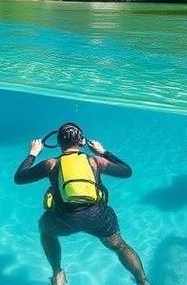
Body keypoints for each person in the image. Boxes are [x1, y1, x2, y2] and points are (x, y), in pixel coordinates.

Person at [14, 122, 149, 285]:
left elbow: (19, 178)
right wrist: (104, 152)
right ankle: (142, 280)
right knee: (119, 245)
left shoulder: (51, 164)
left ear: (58, 144)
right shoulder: (96, 161)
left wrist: (33, 153)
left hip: (64, 219)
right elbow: (127, 171)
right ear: (82, 142)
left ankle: (58, 273)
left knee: (46, 230)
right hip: (98, 217)